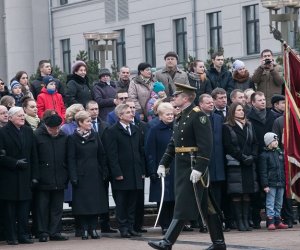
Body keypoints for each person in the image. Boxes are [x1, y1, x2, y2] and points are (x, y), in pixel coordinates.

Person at [148, 83, 226, 250]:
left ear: (186, 98)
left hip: (193, 166)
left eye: (177, 95)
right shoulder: (181, 116)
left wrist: (199, 167)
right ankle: (219, 243)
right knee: (208, 206)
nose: (174, 97)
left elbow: (206, 145)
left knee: (183, 204)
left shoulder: (199, 116)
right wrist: (164, 163)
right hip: (183, 167)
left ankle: (167, 242)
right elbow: (173, 143)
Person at [104, 104, 146, 238]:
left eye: (132, 111)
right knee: (122, 202)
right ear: (120, 115)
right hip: (121, 173)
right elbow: (111, 155)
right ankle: (123, 227)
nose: (132, 113)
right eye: (128, 112)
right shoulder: (112, 131)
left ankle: (131, 227)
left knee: (133, 202)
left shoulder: (135, 129)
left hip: (135, 172)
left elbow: (141, 151)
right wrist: (117, 173)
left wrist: (142, 170)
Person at [0, 107, 38, 245]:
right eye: (19, 116)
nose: (22, 117)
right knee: (9, 210)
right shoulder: (2, 132)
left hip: (25, 176)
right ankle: (11, 236)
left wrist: (35, 175)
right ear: (10, 118)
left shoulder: (28, 131)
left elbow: (34, 154)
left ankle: (23, 234)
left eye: (23, 115)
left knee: (24, 209)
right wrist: (14, 162)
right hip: (8, 177)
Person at [67, 110, 108, 240]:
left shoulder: (95, 135)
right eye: (88, 121)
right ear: (80, 123)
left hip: (95, 174)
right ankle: (84, 229)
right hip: (81, 175)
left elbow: (101, 154)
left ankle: (93, 228)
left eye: (90, 121)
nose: (90, 123)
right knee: (83, 204)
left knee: (95, 203)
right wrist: (73, 176)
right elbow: (71, 159)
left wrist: (104, 171)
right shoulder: (72, 138)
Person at [222, 103, 259, 231]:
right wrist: (242, 157)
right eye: (238, 110)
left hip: (249, 163)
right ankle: (239, 222)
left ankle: (245, 220)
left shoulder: (249, 125)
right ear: (233, 112)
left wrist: (252, 156)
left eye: (242, 110)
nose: (242, 112)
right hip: (236, 163)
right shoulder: (227, 127)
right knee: (237, 193)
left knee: (247, 193)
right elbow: (229, 146)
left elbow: (255, 142)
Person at [34, 114, 69, 242]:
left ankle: (55, 231)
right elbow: (34, 158)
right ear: (46, 126)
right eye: (52, 129)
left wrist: (67, 173)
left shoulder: (63, 136)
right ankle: (42, 232)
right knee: (42, 207)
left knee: (57, 207)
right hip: (43, 178)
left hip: (60, 176)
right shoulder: (37, 135)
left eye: (57, 128)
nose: (55, 131)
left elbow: (67, 157)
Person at [85, 100, 117, 233]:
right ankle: (87, 225)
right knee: (89, 196)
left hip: (105, 166)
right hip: (90, 167)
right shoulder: (83, 126)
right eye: (92, 109)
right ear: (86, 110)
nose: (95, 111)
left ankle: (105, 224)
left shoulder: (105, 125)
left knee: (104, 196)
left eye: (96, 109)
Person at [145, 102, 175, 235]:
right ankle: (165, 224)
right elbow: (150, 151)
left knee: (175, 197)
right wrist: (152, 170)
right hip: (161, 168)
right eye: (167, 114)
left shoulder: (176, 128)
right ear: (160, 116)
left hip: (176, 169)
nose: (170, 116)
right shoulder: (155, 130)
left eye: (172, 114)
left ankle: (175, 224)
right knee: (163, 198)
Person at [259, 132, 288, 230]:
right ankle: (270, 221)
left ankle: (278, 220)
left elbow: (284, 168)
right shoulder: (264, 155)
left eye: (277, 140)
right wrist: (265, 185)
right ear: (268, 142)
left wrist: (284, 181)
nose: (276, 142)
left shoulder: (280, 153)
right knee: (270, 202)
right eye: (274, 140)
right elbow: (263, 171)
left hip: (280, 182)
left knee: (279, 203)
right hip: (271, 183)